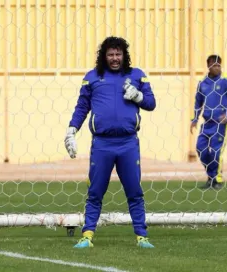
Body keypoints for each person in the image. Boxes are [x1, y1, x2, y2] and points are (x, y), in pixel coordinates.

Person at [64, 36, 156, 248]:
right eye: (110, 54)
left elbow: (151, 103)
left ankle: (142, 237)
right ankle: (87, 236)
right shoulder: (92, 78)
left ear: (125, 56)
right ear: (103, 56)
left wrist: (138, 97)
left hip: (128, 144)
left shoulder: (137, 76)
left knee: (134, 191)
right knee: (95, 191)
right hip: (102, 144)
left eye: (118, 54)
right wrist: (71, 130)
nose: (115, 58)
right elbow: (82, 107)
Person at [190, 55, 227, 189]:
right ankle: (211, 176)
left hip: (221, 124)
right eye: (214, 65)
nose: (217, 67)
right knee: (201, 149)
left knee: (216, 151)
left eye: (219, 65)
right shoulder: (203, 83)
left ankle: (217, 180)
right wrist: (194, 119)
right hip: (207, 123)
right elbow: (198, 102)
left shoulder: (226, 81)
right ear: (208, 66)